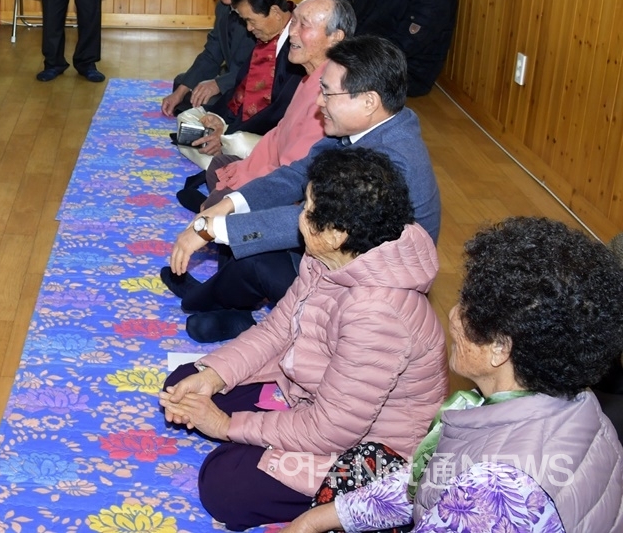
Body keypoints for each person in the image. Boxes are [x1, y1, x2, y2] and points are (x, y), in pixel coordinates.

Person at [160, 147, 447, 531]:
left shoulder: (378, 314)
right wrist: (213, 375)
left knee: (223, 484)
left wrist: (226, 426)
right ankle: (254, 429)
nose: (300, 216)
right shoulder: (331, 257)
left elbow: (333, 428)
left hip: (368, 446)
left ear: (337, 233)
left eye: (308, 209)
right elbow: (278, 329)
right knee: (183, 385)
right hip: (308, 391)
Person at [283, 217, 623, 533]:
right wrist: (312, 521)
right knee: (365, 461)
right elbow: (432, 477)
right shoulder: (582, 404)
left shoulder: (498, 491)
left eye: (469, 308)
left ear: (500, 349)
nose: (454, 314)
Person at [165, 36, 441, 343]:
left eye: (328, 92)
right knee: (247, 217)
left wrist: (211, 228)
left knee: (256, 254)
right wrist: (230, 205)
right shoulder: (371, 127)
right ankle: (228, 307)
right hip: (343, 254)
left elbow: (317, 219)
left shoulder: (392, 161)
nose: (319, 101)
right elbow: (297, 173)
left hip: (364, 298)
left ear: (369, 101)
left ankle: (205, 301)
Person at [181, 0, 354, 210]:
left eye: (304, 25)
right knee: (220, 166)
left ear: (336, 37)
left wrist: (245, 183)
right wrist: (245, 168)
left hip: (289, 189)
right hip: (272, 165)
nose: (291, 32)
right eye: (294, 22)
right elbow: (278, 134)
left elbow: (294, 172)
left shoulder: (333, 92)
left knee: (215, 206)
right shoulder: (309, 75)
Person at [176, 0, 303, 170]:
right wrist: (219, 120)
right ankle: (233, 165)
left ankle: (230, 164)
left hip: (277, 135)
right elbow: (241, 87)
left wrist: (226, 135)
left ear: (275, 12)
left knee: (237, 142)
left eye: (251, 21)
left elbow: (278, 112)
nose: (249, 28)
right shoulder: (268, 39)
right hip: (245, 127)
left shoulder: (298, 47)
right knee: (188, 119)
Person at [161, 0, 257, 116]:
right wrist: (181, 91)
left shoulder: (261, 12)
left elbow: (260, 68)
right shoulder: (223, 8)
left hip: (255, 84)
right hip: (232, 76)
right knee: (183, 83)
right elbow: (212, 54)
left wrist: (218, 84)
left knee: (211, 101)